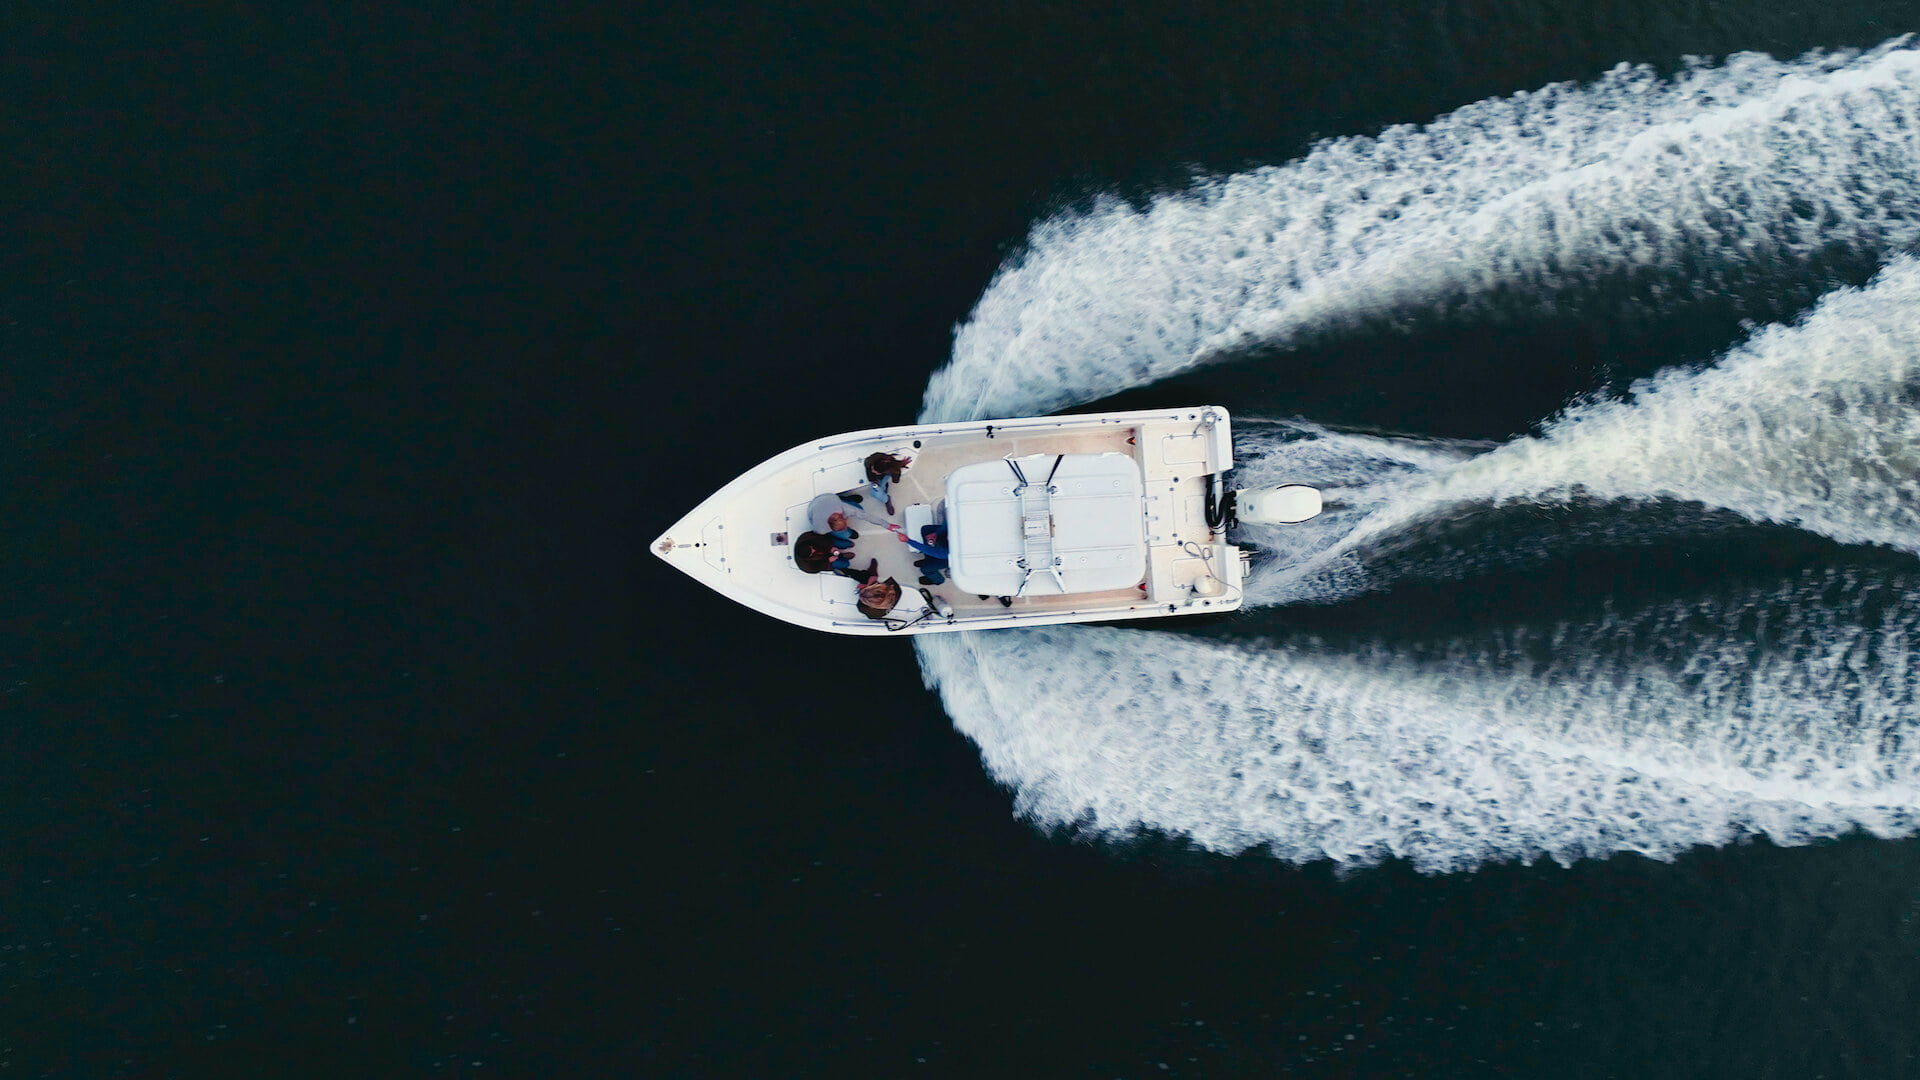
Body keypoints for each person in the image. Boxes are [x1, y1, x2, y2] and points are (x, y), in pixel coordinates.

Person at [892, 522, 950, 586]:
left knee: (925, 568)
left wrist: (908, 540)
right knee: (926, 529)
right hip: (945, 545)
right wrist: (936, 533)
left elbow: (929, 550)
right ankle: (930, 559)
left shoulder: (951, 553)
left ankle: (938, 580)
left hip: (948, 558)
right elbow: (949, 523)